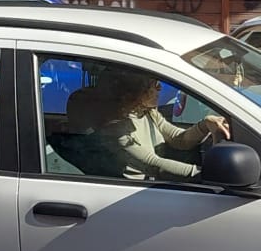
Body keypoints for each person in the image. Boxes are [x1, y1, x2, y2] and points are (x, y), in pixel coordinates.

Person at [90, 68, 229, 181]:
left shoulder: (148, 113)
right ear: (137, 91)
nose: (160, 88)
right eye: (155, 84)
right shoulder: (114, 130)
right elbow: (154, 164)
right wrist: (208, 174)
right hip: (136, 195)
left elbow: (179, 139)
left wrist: (205, 125)